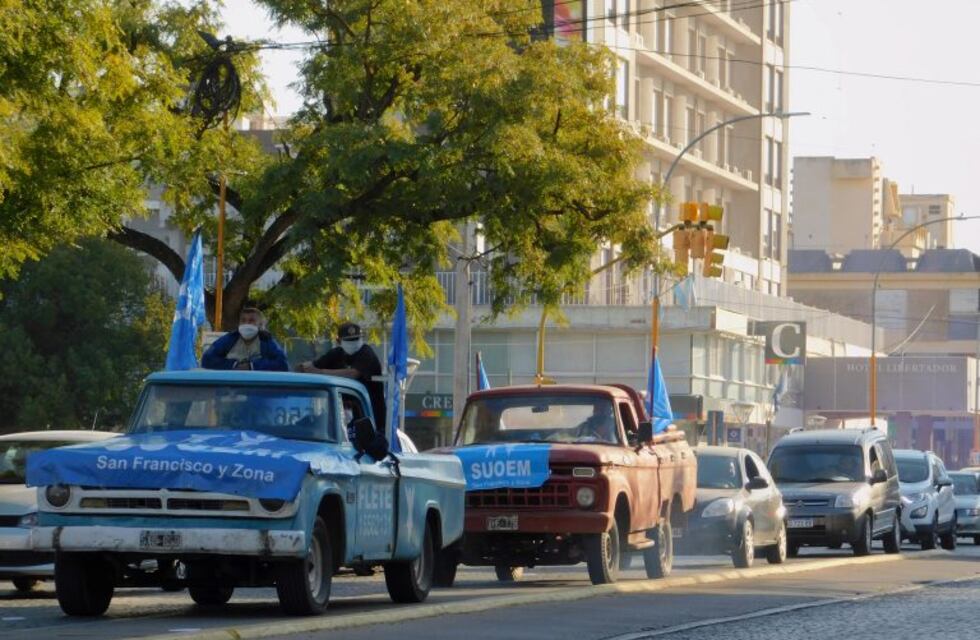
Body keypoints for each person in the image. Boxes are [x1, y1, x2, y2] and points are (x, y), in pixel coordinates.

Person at [298, 322, 386, 431]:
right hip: (340, 418)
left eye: (356, 339)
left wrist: (320, 372)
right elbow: (309, 367)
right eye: (349, 340)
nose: (353, 343)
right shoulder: (336, 354)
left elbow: (353, 374)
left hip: (371, 420)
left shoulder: (366, 353)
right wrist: (303, 368)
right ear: (338, 341)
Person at [202, 307, 289, 371]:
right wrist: (234, 365)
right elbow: (207, 359)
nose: (246, 323)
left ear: (260, 325)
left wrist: (252, 366)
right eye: (243, 320)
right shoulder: (230, 338)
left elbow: (283, 364)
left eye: (251, 320)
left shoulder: (266, 340)